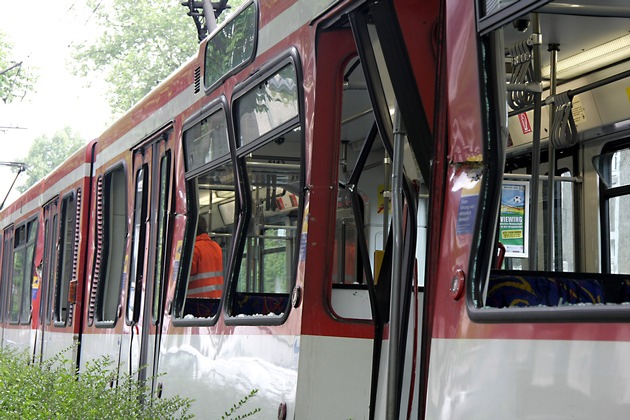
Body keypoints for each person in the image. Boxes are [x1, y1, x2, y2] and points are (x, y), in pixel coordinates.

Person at [189, 216, 223, 299]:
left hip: (195, 303)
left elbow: (183, 276)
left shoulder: (194, 249)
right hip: (216, 301)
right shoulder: (216, 247)